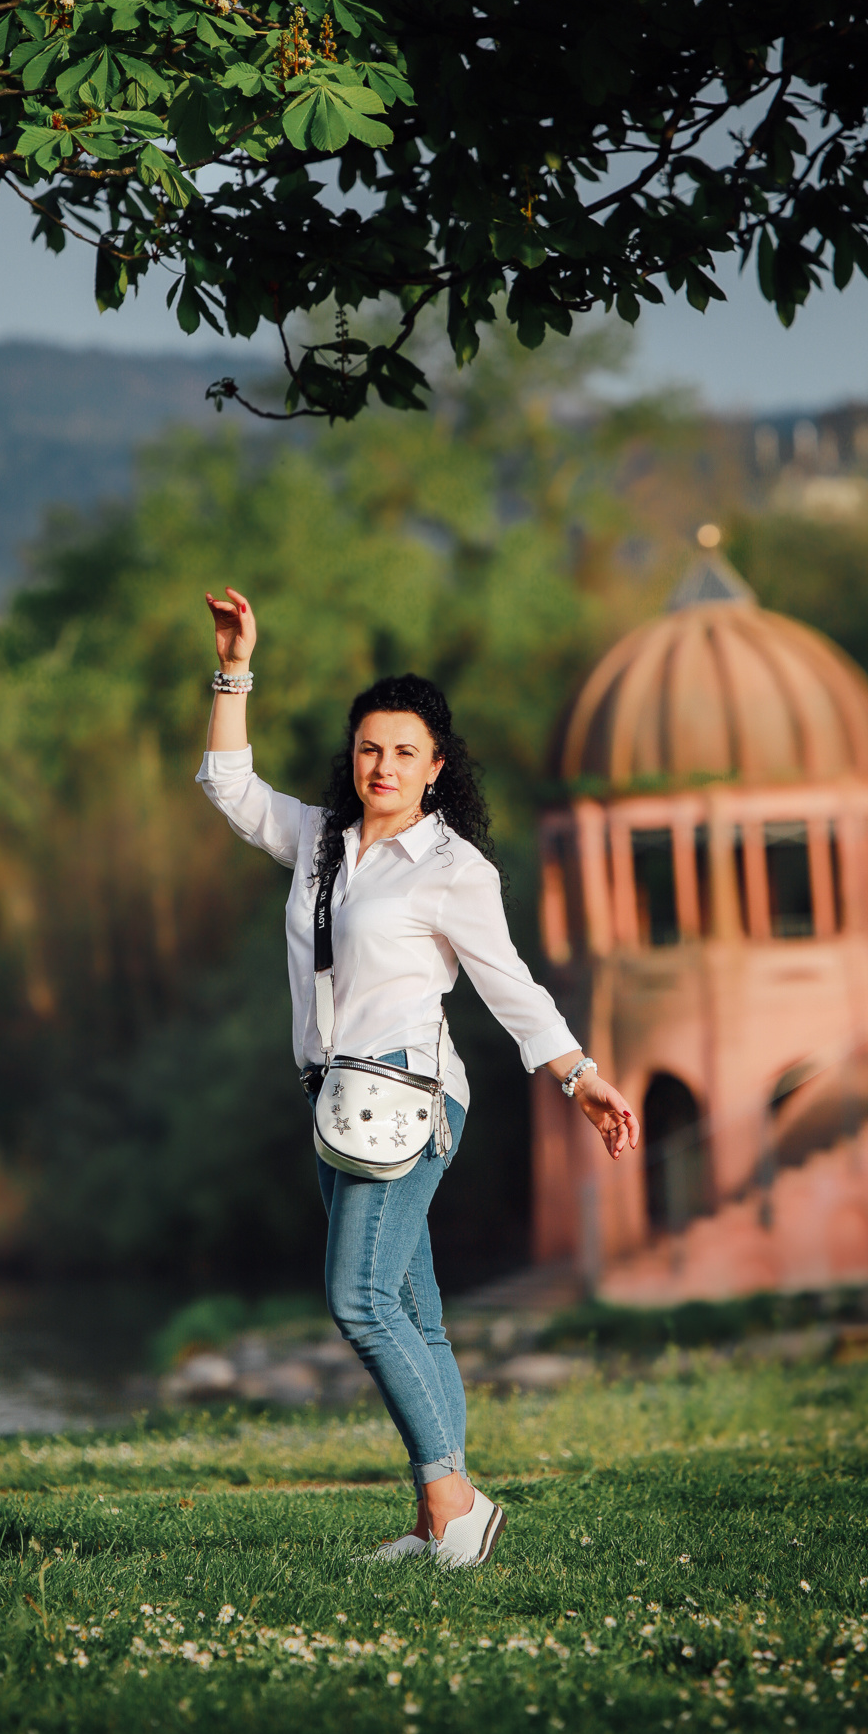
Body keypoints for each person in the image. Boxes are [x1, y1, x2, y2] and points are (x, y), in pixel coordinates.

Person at [197, 586, 640, 1569]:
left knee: (356, 1298)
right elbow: (229, 785)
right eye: (367, 747)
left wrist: (580, 1077)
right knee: (410, 1307)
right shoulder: (317, 842)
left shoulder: (453, 870)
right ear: (350, 758)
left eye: (403, 750)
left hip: (408, 1093)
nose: (382, 764)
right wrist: (235, 667)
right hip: (331, 1094)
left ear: (436, 767)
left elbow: (509, 987)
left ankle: (456, 1500)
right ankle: (440, 1525)